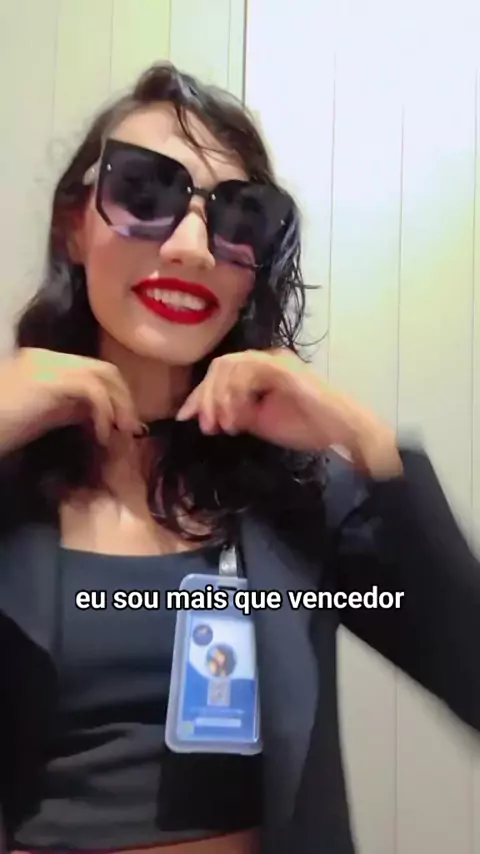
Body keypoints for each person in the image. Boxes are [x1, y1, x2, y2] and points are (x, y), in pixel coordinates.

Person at [0, 61, 479, 854]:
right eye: (144, 193)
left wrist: (366, 441)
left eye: (239, 218)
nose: (193, 249)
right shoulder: (10, 479)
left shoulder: (295, 496)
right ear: (74, 226)